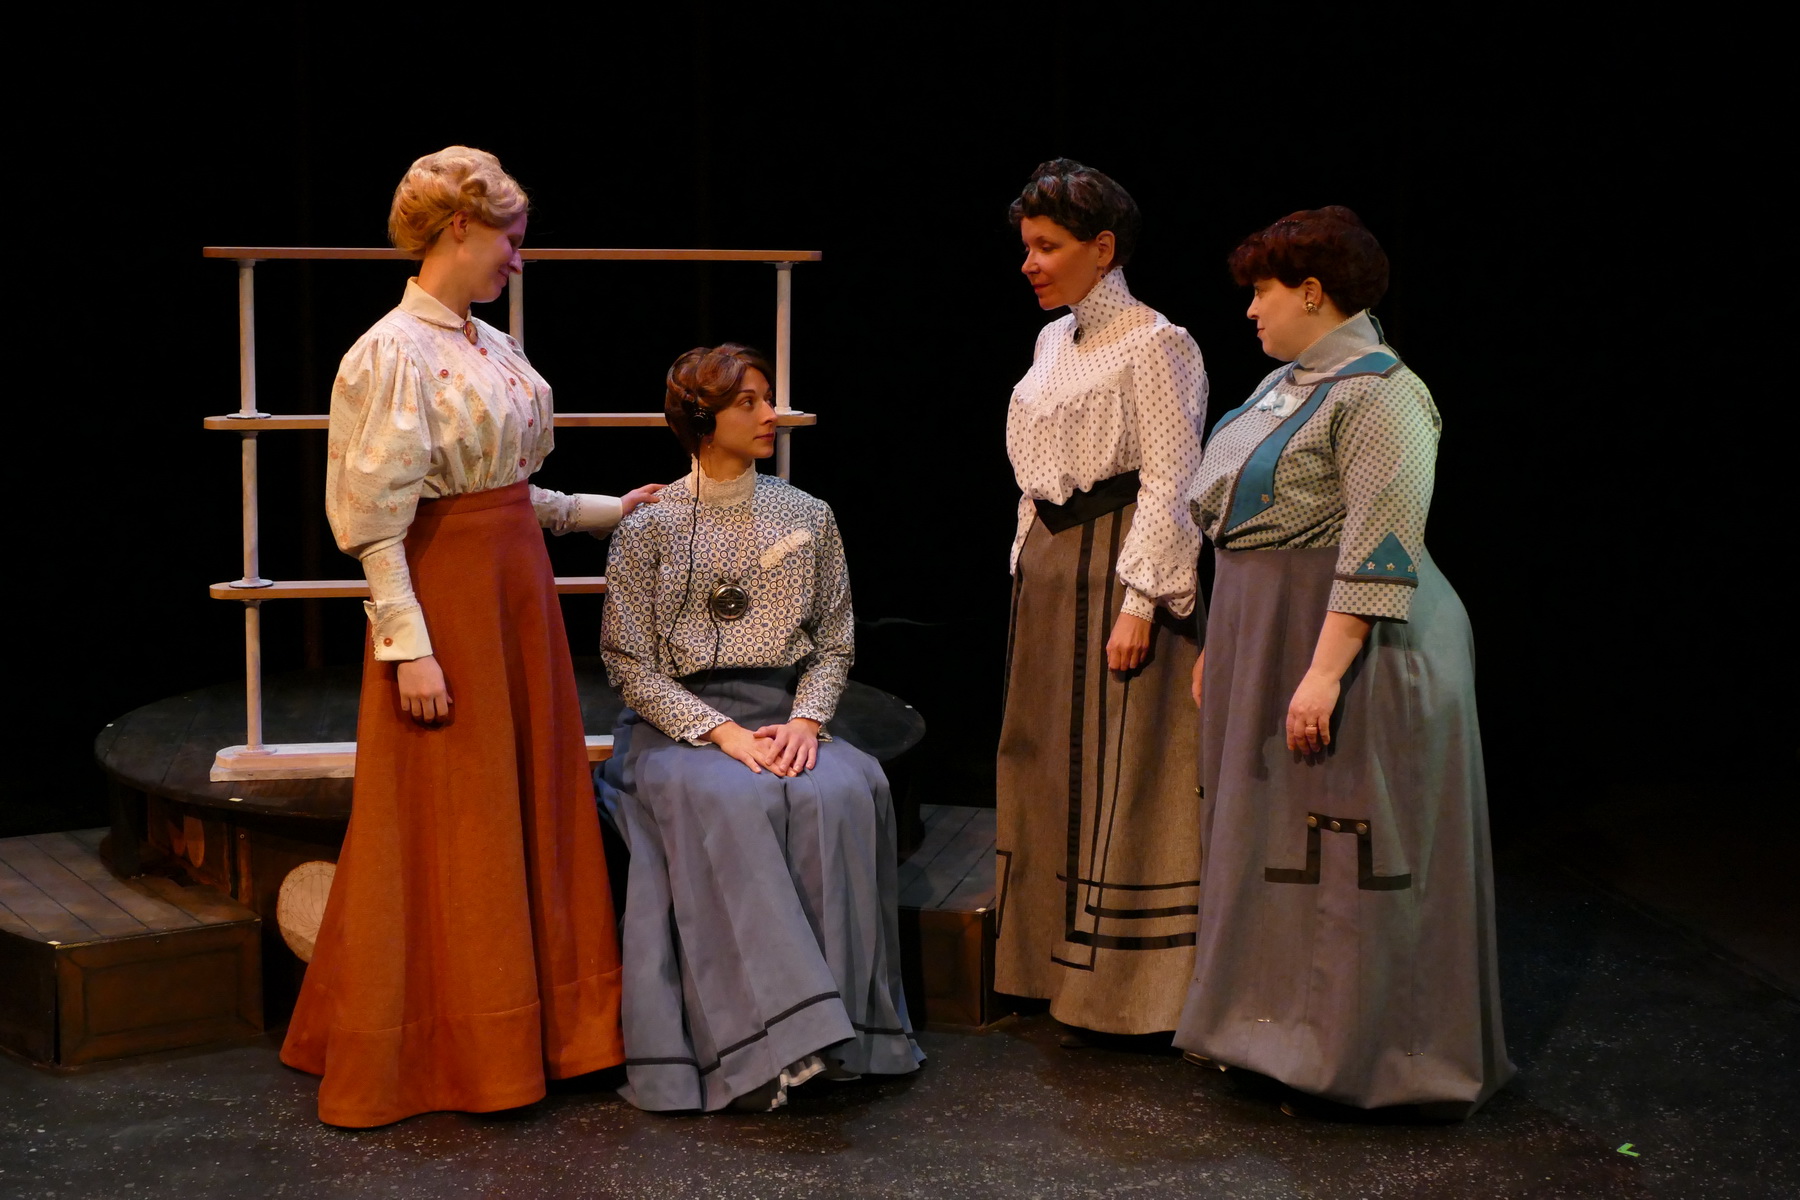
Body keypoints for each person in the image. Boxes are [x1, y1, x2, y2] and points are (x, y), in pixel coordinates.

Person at [281, 146, 663, 1127]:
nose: (517, 261)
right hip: (446, 604)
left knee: (527, 800)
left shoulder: (485, 346)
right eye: (511, 239)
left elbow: (502, 492)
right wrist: (407, 647)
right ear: (461, 228)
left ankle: (549, 1034)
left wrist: (602, 511)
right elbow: (376, 521)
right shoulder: (390, 352)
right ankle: (457, 1044)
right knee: (454, 819)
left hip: (514, 595)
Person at [1174, 206, 1512, 1117]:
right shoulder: (1285, 386)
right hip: (1263, 630)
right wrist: (1220, 639)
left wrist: (1323, 673)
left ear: (1312, 292)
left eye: (1262, 292)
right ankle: (1268, 1031)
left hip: (1352, 639)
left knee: (1344, 849)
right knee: (1268, 843)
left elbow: (1383, 542)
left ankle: (1367, 1054)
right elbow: (1230, 521)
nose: (1250, 312)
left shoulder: (1382, 393)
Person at [594, 343, 923, 1113]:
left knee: (845, 788)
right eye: (748, 401)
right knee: (737, 801)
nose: (768, 413)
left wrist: (807, 721)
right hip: (681, 727)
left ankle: (846, 1035)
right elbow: (628, 664)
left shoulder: (808, 514)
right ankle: (775, 1043)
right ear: (703, 418)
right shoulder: (651, 526)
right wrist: (722, 735)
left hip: (784, 712)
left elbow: (835, 638)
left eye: (766, 397)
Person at [993, 158, 1208, 1039]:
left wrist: (1140, 601)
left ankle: (1121, 989)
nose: (1030, 264)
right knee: (1041, 752)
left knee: (1119, 760)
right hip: (1050, 568)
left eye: (1047, 248)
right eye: (1027, 249)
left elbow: (1171, 477)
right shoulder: (1053, 341)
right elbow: (1035, 465)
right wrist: (1024, 552)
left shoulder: (1160, 344)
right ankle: (1038, 960)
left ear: (1102, 248)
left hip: (1117, 565)